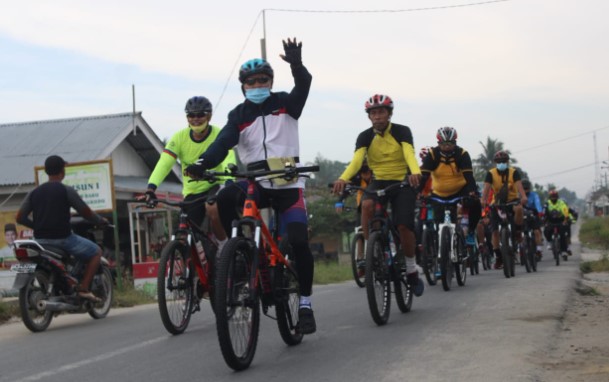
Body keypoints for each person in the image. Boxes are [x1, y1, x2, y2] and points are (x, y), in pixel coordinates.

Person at [185, 38, 318, 334]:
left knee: (297, 240)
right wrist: (204, 162)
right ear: (243, 85)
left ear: (270, 82)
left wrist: (296, 65)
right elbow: (223, 142)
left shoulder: (286, 104)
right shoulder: (238, 115)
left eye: (262, 80)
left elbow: (304, 84)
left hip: (287, 183)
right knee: (223, 199)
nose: (257, 85)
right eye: (251, 81)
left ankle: (306, 304)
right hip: (255, 183)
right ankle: (242, 254)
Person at [332, 94, 424, 297]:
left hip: (401, 180)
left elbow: (409, 153)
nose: (377, 116)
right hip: (379, 180)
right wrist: (343, 178)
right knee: (366, 206)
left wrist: (415, 171)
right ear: (369, 117)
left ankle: (411, 269)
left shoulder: (401, 131)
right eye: (373, 113)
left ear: (389, 114)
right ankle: (371, 252)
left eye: (381, 112)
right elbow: (357, 161)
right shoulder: (365, 136)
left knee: (403, 225)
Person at [15, 155, 109, 301]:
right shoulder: (66, 190)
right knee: (96, 252)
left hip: (39, 241)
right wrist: (100, 220)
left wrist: (38, 226)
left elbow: (20, 218)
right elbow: (86, 212)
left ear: (47, 171)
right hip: (63, 239)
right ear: (61, 171)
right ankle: (83, 288)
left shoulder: (34, 193)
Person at [144, 96, 236, 229]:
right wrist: (151, 188)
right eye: (191, 115)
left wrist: (229, 181)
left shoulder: (219, 134)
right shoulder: (179, 138)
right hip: (192, 191)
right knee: (186, 229)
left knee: (212, 207)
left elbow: (229, 159)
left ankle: (222, 244)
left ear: (209, 116)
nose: (196, 119)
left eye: (200, 115)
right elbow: (164, 164)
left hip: (216, 185)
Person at [418, 127, 481, 248]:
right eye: (443, 144)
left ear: (455, 143)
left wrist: (472, 191)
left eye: (450, 143)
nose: (447, 146)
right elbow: (424, 176)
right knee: (438, 221)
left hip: (460, 190)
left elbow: (469, 176)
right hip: (439, 193)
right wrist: (418, 192)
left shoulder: (462, 154)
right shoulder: (432, 154)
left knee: (475, 204)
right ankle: (440, 250)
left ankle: (471, 233)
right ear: (438, 143)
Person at [480, 151, 527, 269]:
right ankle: (498, 256)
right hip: (497, 203)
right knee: (494, 232)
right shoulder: (491, 173)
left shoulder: (514, 172)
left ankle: (518, 232)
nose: (501, 163)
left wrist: (524, 196)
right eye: (499, 162)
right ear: (496, 163)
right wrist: (483, 200)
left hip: (512, 201)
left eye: (503, 161)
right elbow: (486, 188)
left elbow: (519, 186)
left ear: (507, 162)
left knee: (519, 209)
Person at [521, 179, 544, 259]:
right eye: (523, 188)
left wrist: (540, 212)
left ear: (529, 188)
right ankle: (520, 249)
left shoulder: (534, 195)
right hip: (522, 216)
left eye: (527, 188)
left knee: (537, 231)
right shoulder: (518, 195)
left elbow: (537, 204)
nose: (525, 190)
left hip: (533, 215)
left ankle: (539, 250)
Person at [543, 190, 569, 257]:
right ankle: (549, 242)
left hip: (560, 221)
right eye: (552, 196)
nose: (553, 198)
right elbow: (544, 211)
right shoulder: (547, 203)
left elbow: (565, 210)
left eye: (555, 196)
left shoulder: (561, 202)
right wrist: (543, 219)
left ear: (557, 196)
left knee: (563, 234)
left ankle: (564, 250)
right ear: (550, 197)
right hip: (550, 221)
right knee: (546, 231)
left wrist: (565, 219)